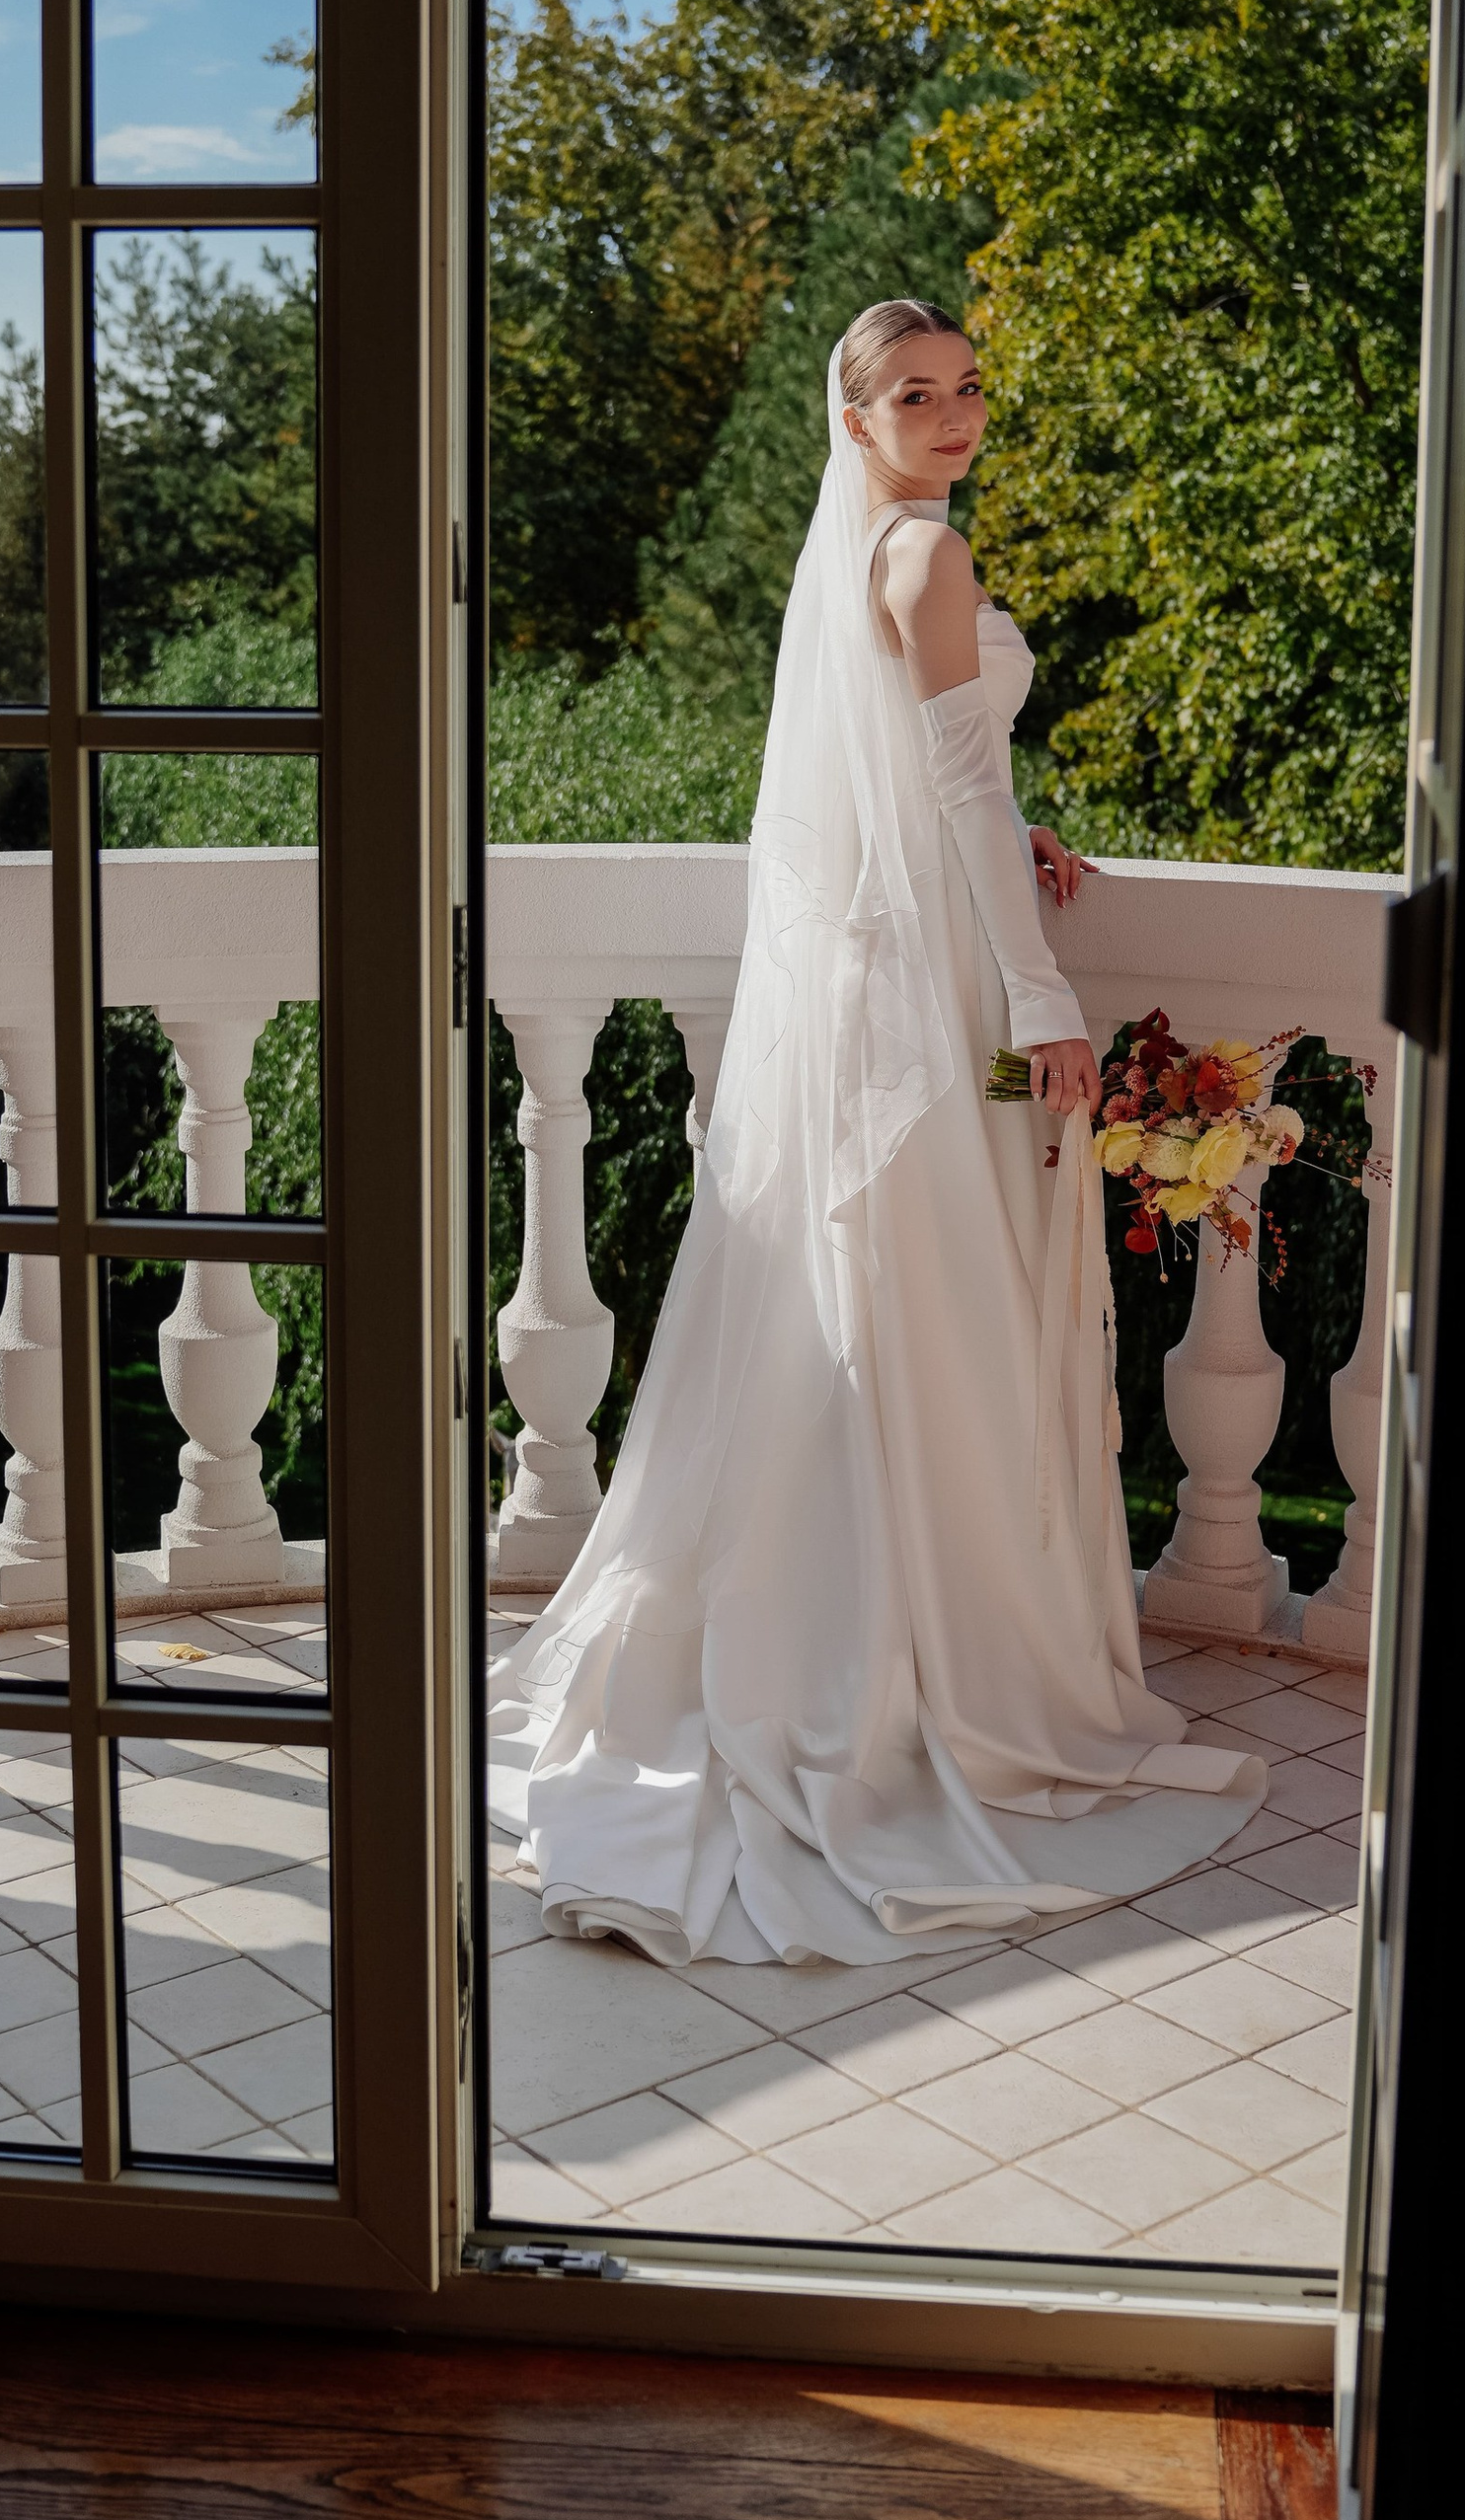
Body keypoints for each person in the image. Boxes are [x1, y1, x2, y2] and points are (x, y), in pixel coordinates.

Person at [488, 301, 1267, 1968]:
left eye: (972, 386)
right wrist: (1045, 1001)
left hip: (889, 994)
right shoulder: (927, 557)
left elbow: (932, 782)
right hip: (935, 1012)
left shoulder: (879, 563)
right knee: (924, 1320)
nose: (956, 413)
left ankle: (840, 1645)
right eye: (919, 394)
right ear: (856, 421)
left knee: (871, 1317)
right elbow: (962, 793)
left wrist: (1007, 846)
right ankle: (897, 1670)